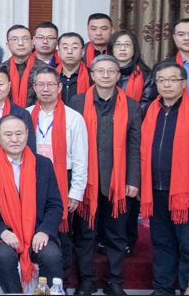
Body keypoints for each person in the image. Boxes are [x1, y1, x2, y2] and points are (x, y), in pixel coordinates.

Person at [141, 60, 189, 293]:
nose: (166, 84)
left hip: (187, 193)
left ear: (184, 83)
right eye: (161, 80)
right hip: (155, 190)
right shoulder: (149, 110)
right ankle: (162, 289)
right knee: (161, 243)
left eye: (172, 80)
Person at [69, 54, 141, 296]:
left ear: (118, 75)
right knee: (85, 233)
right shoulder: (77, 101)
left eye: (111, 71)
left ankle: (114, 281)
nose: (106, 75)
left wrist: (133, 179)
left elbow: (135, 146)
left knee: (117, 234)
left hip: (118, 182)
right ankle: (87, 281)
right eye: (100, 71)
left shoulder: (131, 105)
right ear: (92, 75)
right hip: (86, 180)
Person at [0, 115, 64, 293]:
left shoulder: (43, 164)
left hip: (36, 230)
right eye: (8, 134)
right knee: (3, 256)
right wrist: (2, 231)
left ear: (27, 134)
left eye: (19, 133)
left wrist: (44, 231)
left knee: (51, 256)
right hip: (0, 232)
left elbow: (55, 205)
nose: (14, 139)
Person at [26, 64, 87, 280]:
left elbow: (81, 159)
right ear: (34, 87)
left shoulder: (74, 118)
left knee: (63, 232)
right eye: (40, 84)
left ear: (60, 87)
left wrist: (75, 192)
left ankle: (61, 283)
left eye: (50, 84)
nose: (45, 89)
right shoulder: (26, 115)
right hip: (31, 178)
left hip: (63, 179)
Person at [110, 30, 154, 104]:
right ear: (111, 48)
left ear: (134, 48)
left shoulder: (147, 75)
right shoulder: (104, 73)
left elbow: (146, 105)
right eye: (118, 44)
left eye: (127, 44)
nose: (122, 48)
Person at [3, 25, 39, 107]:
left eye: (25, 39)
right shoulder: (1, 70)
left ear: (32, 42)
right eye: (15, 39)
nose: (20, 43)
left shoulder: (44, 70)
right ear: (8, 45)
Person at [53, 32, 92, 103]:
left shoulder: (92, 76)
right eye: (65, 48)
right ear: (58, 52)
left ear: (83, 52)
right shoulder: (50, 75)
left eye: (75, 47)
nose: (69, 51)